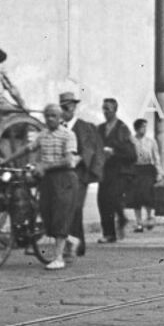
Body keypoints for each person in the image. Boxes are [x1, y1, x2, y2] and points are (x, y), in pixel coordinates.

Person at [32, 102, 82, 269]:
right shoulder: (43, 135)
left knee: (60, 215)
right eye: (47, 116)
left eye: (53, 116)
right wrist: (6, 161)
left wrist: (46, 166)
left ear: (60, 118)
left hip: (65, 179)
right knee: (47, 216)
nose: (50, 119)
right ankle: (71, 240)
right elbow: (28, 148)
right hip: (48, 180)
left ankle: (58, 258)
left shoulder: (68, 135)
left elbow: (69, 160)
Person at [61, 92, 100, 257]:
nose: (66, 110)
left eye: (68, 107)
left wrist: (78, 159)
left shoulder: (84, 127)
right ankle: (76, 244)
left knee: (76, 207)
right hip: (63, 175)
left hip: (80, 174)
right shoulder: (59, 127)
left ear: (74, 107)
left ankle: (77, 244)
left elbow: (89, 149)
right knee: (67, 208)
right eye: (63, 107)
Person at [94, 97, 137, 243]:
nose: (105, 112)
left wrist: (114, 152)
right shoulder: (100, 129)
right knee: (102, 200)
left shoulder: (122, 128)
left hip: (120, 171)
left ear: (115, 110)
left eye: (108, 109)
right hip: (104, 171)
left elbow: (132, 153)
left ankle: (121, 220)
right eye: (104, 108)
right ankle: (109, 233)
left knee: (112, 198)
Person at [129, 117, 161, 232]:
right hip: (135, 169)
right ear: (137, 128)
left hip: (148, 169)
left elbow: (156, 157)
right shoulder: (131, 140)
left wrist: (159, 173)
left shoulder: (151, 141)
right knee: (136, 197)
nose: (144, 129)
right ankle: (139, 222)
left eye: (145, 127)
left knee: (148, 194)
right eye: (142, 127)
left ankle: (149, 217)